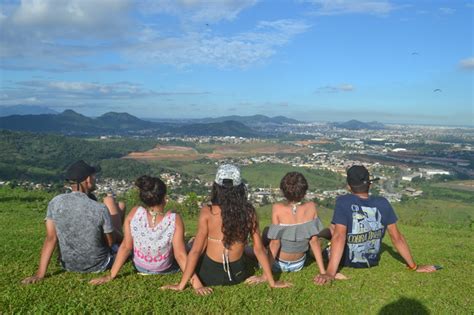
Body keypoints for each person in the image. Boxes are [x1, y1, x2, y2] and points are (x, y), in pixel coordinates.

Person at [161, 164, 291, 292]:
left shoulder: (208, 211)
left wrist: (181, 285)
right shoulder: (249, 212)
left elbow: (196, 251)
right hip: (238, 275)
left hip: (209, 275)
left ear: (216, 187)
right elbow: (259, 249)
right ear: (240, 187)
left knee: (197, 242)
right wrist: (271, 281)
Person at [315, 165, 437, 285]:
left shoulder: (343, 201)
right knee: (332, 228)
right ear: (370, 184)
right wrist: (414, 266)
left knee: (319, 239)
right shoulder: (383, 203)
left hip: (346, 260)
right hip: (371, 260)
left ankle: (319, 238)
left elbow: (339, 236)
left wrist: (330, 273)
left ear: (348, 187)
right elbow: (397, 238)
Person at [89, 175, 211, 295]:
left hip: (140, 267)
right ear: (164, 198)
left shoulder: (134, 213)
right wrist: (197, 284)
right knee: (188, 246)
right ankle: (191, 243)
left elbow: (126, 247)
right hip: (165, 269)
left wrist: (111, 275)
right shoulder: (174, 219)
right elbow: (180, 255)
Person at [22, 160, 122, 284]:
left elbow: (51, 238)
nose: (95, 179)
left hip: (68, 265)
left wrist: (40, 275)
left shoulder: (55, 202)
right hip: (99, 265)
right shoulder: (99, 208)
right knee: (117, 206)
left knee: (118, 207)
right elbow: (110, 242)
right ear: (88, 180)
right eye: (94, 176)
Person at [263, 172, 326, 274]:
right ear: (304, 191)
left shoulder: (277, 208)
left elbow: (275, 243)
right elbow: (314, 241)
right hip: (298, 264)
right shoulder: (311, 207)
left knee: (266, 232)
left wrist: (266, 274)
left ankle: (246, 252)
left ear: (283, 191)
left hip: (278, 264)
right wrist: (323, 272)